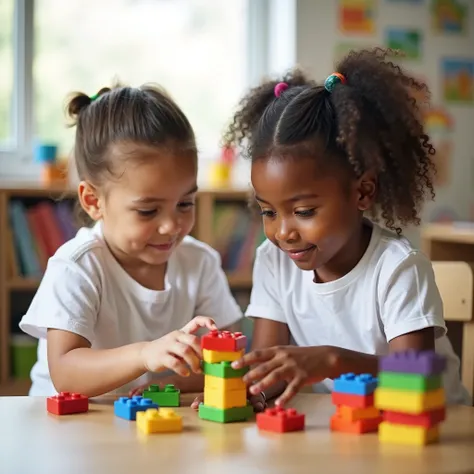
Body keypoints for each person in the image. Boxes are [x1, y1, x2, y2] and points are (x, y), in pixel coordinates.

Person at [194, 48, 471, 409]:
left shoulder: (398, 268)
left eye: (304, 211)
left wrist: (332, 361)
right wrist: (238, 396)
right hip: (348, 426)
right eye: (268, 212)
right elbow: (267, 371)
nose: (282, 233)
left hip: (433, 428)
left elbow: (416, 379)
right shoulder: (274, 260)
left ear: (362, 192)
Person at [19, 83, 243, 397]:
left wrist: (172, 382)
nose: (171, 226)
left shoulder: (200, 262)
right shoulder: (77, 267)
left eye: (185, 203)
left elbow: (228, 361)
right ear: (93, 201)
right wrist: (144, 355)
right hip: (69, 428)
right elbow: (65, 372)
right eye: (148, 211)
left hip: (146, 421)